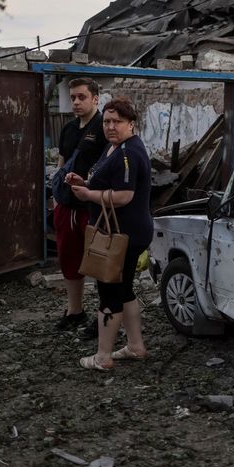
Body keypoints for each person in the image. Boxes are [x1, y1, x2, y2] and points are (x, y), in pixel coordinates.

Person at [67, 97, 153, 370]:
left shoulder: (129, 153)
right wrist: (86, 182)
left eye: (118, 122)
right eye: (106, 121)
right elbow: (110, 181)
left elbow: (125, 195)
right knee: (125, 290)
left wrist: (88, 194)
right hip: (124, 232)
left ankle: (102, 357)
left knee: (109, 292)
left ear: (131, 124)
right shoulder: (116, 148)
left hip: (123, 235)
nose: (111, 127)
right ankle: (136, 346)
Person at [53, 77, 106, 335]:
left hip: (92, 206)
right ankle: (75, 311)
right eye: (73, 97)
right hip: (66, 204)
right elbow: (62, 161)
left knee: (99, 263)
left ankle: (103, 317)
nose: (76, 102)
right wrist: (56, 197)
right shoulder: (68, 129)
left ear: (95, 98)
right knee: (68, 258)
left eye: (81, 97)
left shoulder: (104, 126)